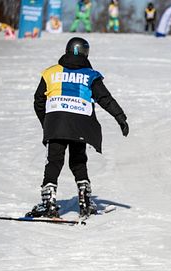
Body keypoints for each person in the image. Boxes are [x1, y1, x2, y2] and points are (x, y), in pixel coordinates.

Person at [30, 37, 129, 219]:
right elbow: (105, 98)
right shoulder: (90, 75)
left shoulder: (50, 72)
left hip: (57, 122)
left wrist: (47, 122)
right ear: (86, 53)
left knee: (54, 161)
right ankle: (84, 199)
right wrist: (120, 117)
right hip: (81, 124)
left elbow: (38, 100)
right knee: (78, 161)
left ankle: (49, 203)